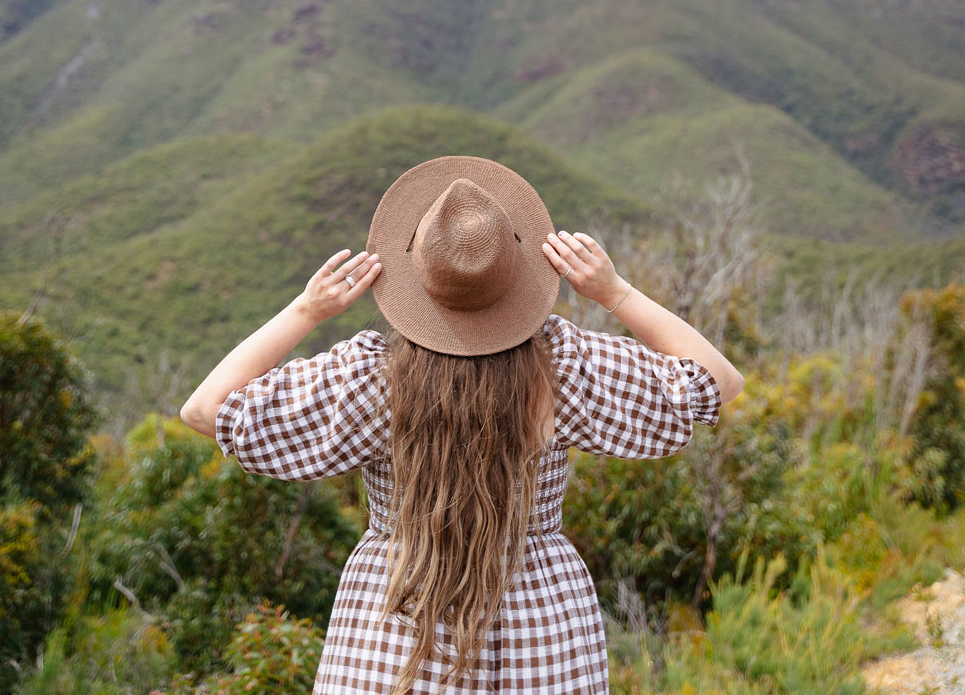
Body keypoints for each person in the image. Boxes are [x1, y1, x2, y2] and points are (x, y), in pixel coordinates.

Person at [181, 155, 745, 694]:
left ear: (414, 278)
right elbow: (718, 382)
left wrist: (307, 310)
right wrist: (613, 292)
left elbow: (205, 409)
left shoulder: (372, 383)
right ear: (518, 276)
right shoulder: (563, 370)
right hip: (540, 618)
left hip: (401, 616)